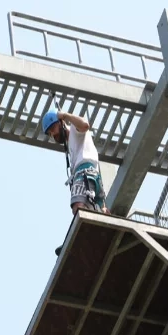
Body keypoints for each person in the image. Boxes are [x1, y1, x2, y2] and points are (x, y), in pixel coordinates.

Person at [41, 109, 111, 256]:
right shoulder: (71, 146)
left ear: (60, 123)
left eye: (53, 129)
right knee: (94, 212)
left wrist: (65, 115)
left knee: (78, 206)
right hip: (93, 177)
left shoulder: (74, 129)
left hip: (85, 173)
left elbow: (85, 125)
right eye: (50, 134)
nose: (53, 135)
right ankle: (98, 232)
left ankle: (79, 240)